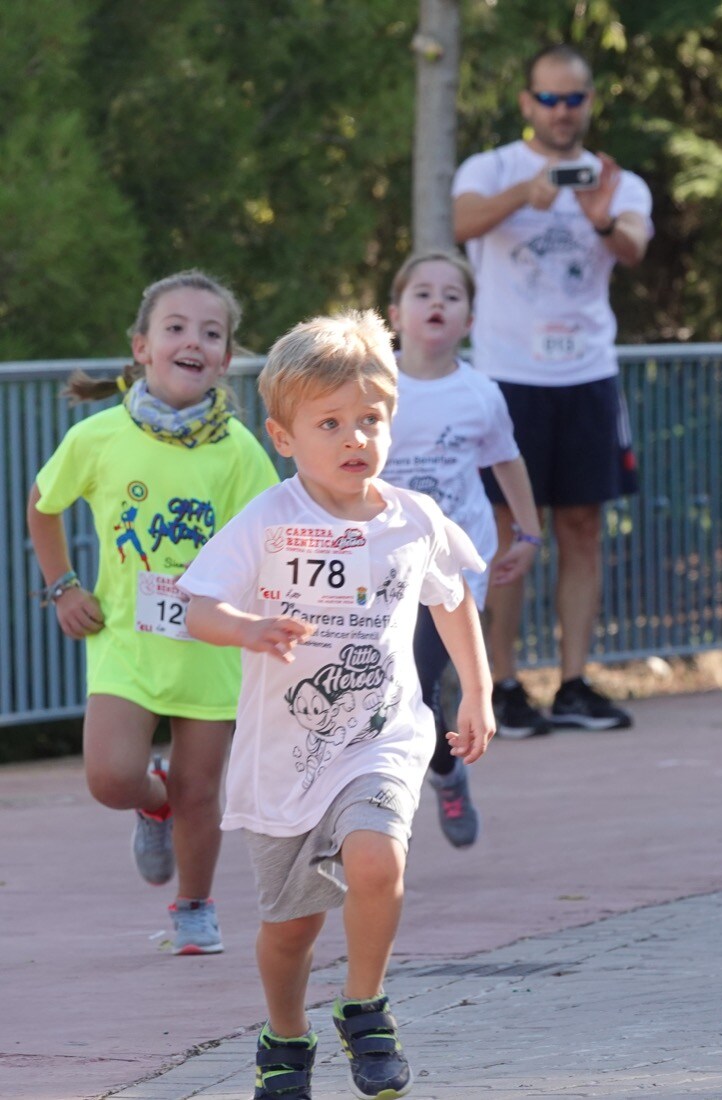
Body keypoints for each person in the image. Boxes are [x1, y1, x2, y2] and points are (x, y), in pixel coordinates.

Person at [178, 309, 495, 1100]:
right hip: (282, 760)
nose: (356, 438)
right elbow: (198, 606)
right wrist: (248, 628)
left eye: (371, 419)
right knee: (289, 932)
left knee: (376, 859)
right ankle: (285, 1038)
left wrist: (476, 693)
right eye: (331, 424)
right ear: (284, 437)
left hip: (380, 737)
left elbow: (451, 600)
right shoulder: (270, 521)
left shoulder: (412, 519)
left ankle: (366, 1007)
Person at [26, 270, 279, 955]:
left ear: (225, 359)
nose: (191, 341)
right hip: (125, 641)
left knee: (203, 792)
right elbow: (44, 506)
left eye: (210, 332)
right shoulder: (100, 437)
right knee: (110, 777)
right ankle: (150, 798)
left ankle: (193, 906)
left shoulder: (240, 452)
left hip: (211, 643)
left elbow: (269, 538)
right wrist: (64, 587)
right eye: (175, 328)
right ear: (141, 346)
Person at [452, 43, 653, 738]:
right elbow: (461, 224)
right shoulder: (492, 167)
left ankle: (572, 682)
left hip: (587, 376)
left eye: (574, 99)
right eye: (549, 98)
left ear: (588, 103)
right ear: (526, 103)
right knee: (509, 528)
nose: (562, 112)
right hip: (509, 377)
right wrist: (524, 196)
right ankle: (502, 685)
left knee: (580, 528)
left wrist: (596, 214)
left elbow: (631, 243)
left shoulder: (614, 178)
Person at [382, 250, 542, 848]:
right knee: (388, 689)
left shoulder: (481, 393)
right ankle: (435, 771)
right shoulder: (374, 384)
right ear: (395, 312)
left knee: (416, 683)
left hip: (453, 565)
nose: (437, 303)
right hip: (380, 564)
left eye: (452, 295)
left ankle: (436, 781)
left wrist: (527, 533)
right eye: (423, 292)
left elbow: (507, 461)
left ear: (469, 319)